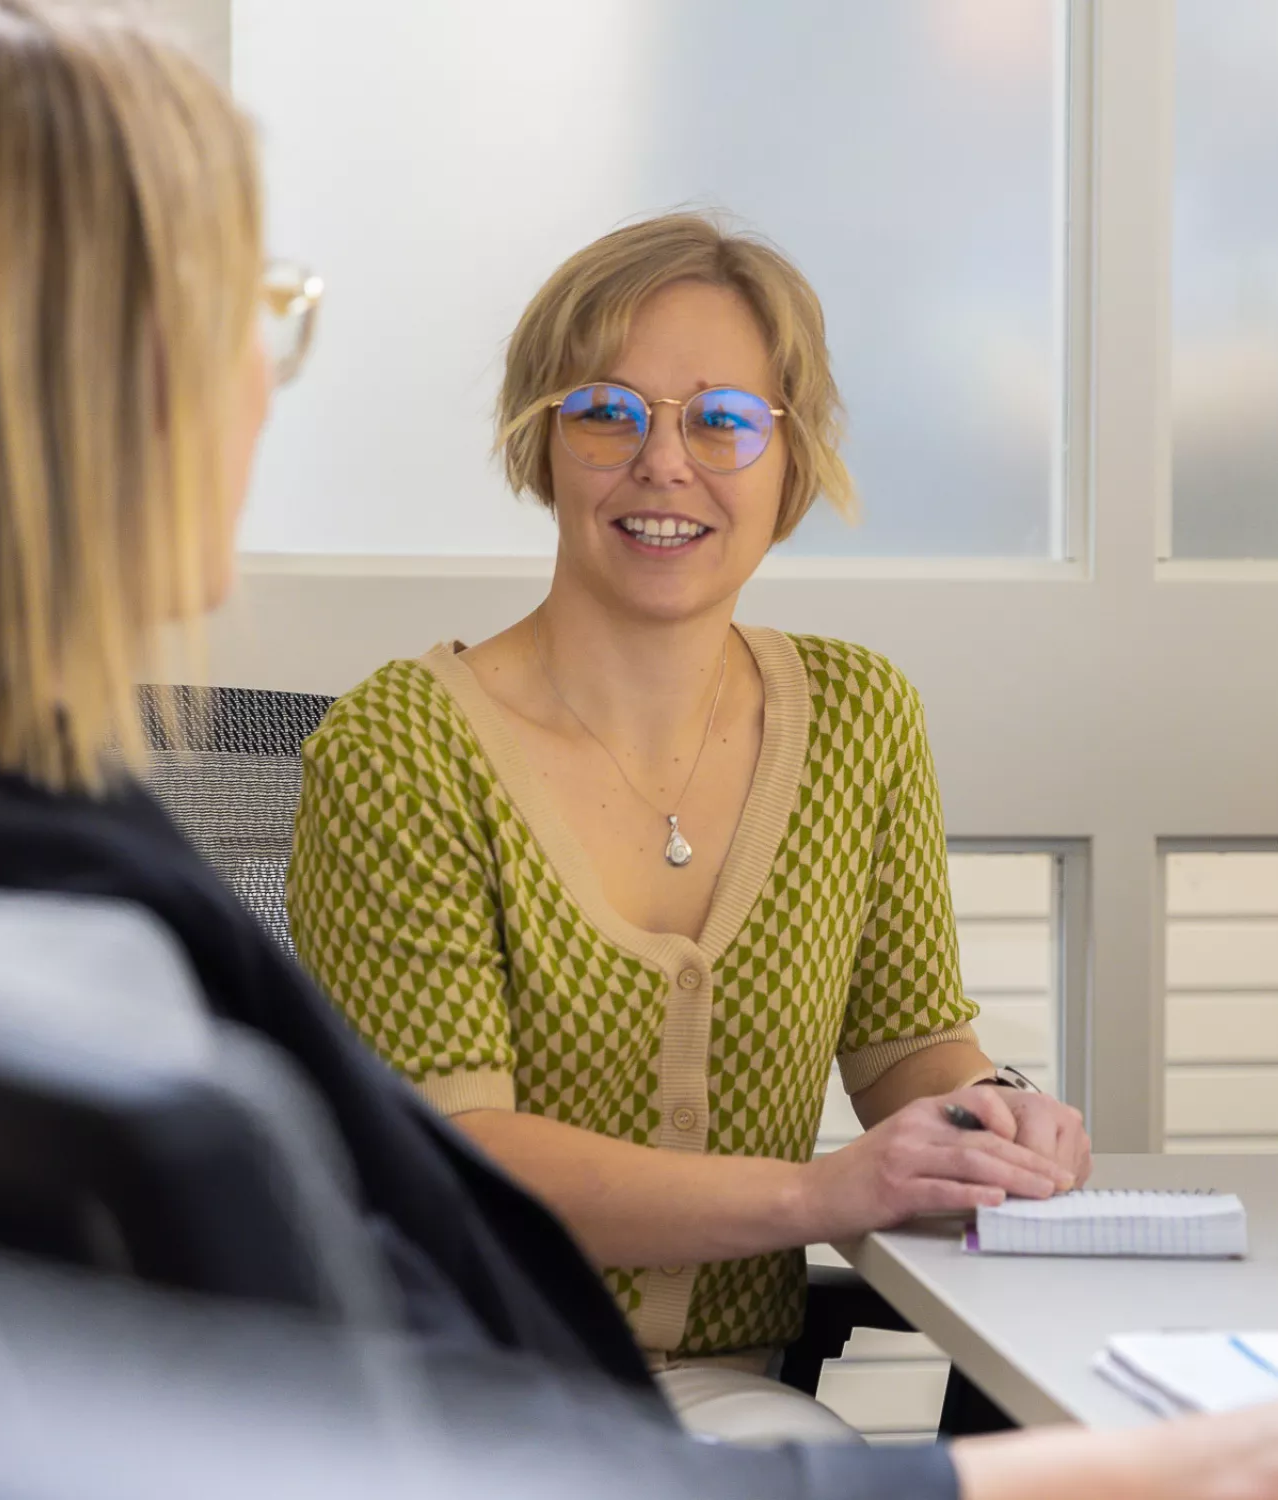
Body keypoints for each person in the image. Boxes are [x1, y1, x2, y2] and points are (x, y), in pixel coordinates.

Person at [0, 5, 1278, 1498]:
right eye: (254, 316)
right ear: (74, 373)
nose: (268, 381)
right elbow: (476, 1456)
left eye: (727, 421)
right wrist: (1174, 1465)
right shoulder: (45, 893)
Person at [284, 215, 1084, 1431]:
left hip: (720, 1403)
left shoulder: (858, 718)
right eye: (608, 409)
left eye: (722, 420)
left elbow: (908, 1049)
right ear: (544, 441)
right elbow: (455, 1158)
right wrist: (818, 1195)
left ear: (789, 461)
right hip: (448, 1394)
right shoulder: (400, 748)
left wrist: (990, 1122)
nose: (664, 463)